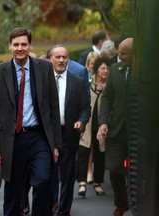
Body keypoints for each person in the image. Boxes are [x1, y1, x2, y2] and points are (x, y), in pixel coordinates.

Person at [0, 27, 61, 216]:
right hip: (12, 140)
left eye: (24, 44)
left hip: (38, 137)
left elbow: (53, 108)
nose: (20, 48)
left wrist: (56, 145)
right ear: (10, 46)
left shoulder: (44, 68)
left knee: (43, 180)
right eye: (16, 44)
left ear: (30, 46)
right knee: (13, 192)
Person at [48, 44, 91, 216]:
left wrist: (81, 122)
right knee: (45, 175)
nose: (61, 60)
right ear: (50, 59)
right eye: (57, 57)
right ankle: (50, 204)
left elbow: (85, 108)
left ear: (68, 59)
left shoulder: (78, 81)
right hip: (46, 135)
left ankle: (63, 211)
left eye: (64, 57)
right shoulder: (43, 81)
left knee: (66, 178)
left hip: (68, 134)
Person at [97, 38, 133, 216]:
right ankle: (121, 203)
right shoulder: (114, 70)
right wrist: (103, 122)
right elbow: (107, 98)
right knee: (115, 169)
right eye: (119, 52)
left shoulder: (146, 72)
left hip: (139, 132)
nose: (119, 56)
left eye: (124, 54)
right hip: (116, 130)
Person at [77, 56, 111, 198]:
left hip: (102, 123)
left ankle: (98, 183)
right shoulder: (88, 84)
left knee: (99, 153)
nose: (106, 71)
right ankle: (82, 183)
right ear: (96, 69)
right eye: (103, 68)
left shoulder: (109, 86)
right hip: (88, 122)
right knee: (83, 151)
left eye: (108, 68)